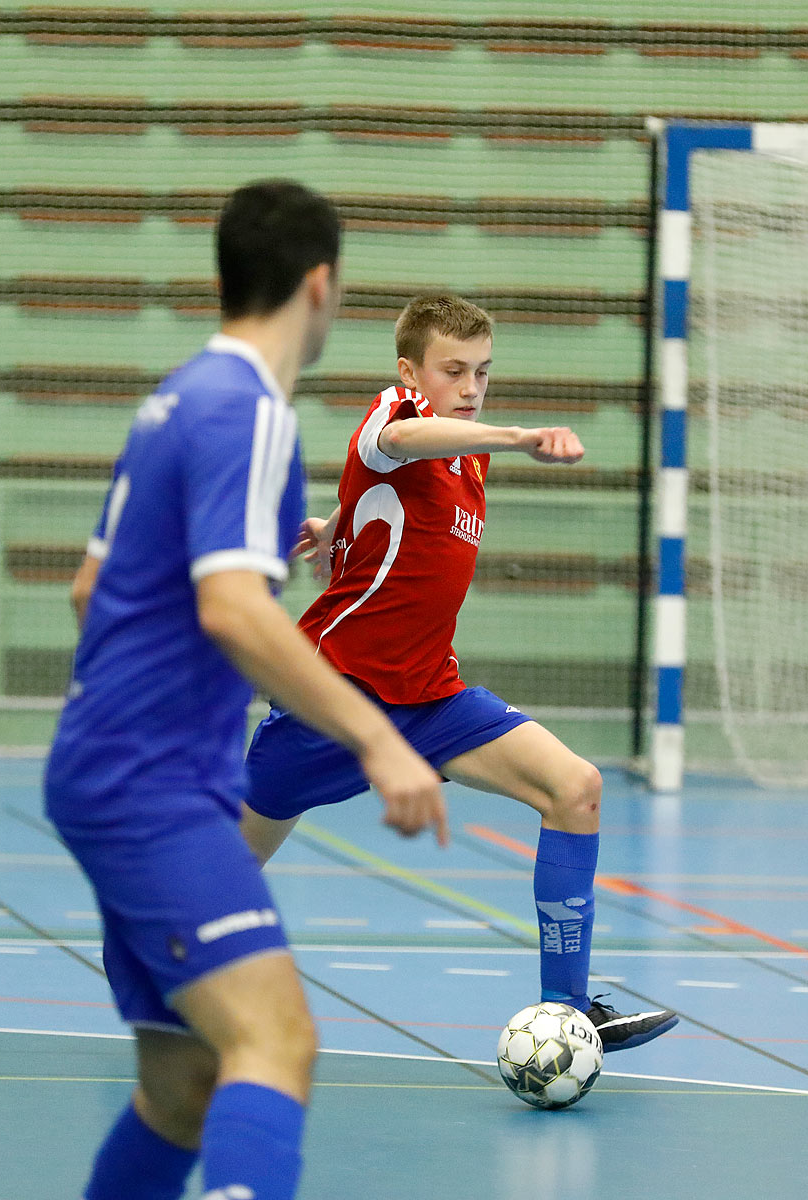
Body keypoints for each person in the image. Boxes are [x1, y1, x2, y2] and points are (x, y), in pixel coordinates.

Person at [45, 181, 449, 1200]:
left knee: (184, 1088)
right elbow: (232, 609)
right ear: (320, 285)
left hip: (107, 769)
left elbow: (91, 589)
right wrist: (378, 739)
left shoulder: (175, 396)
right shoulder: (254, 410)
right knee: (279, 1042)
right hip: (151, 786)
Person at [239, 293, 679, 1052]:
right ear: (411, 370)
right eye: (454, 370)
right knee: (228, 866)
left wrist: (336, 523)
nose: (471, 386)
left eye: (482, 371)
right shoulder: (397, 411)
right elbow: (397, 442)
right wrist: (517, 435)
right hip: (338, 699)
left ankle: (568, 1013)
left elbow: (391, 489)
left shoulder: (464, 456)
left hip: (431, 696)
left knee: (574, 787)